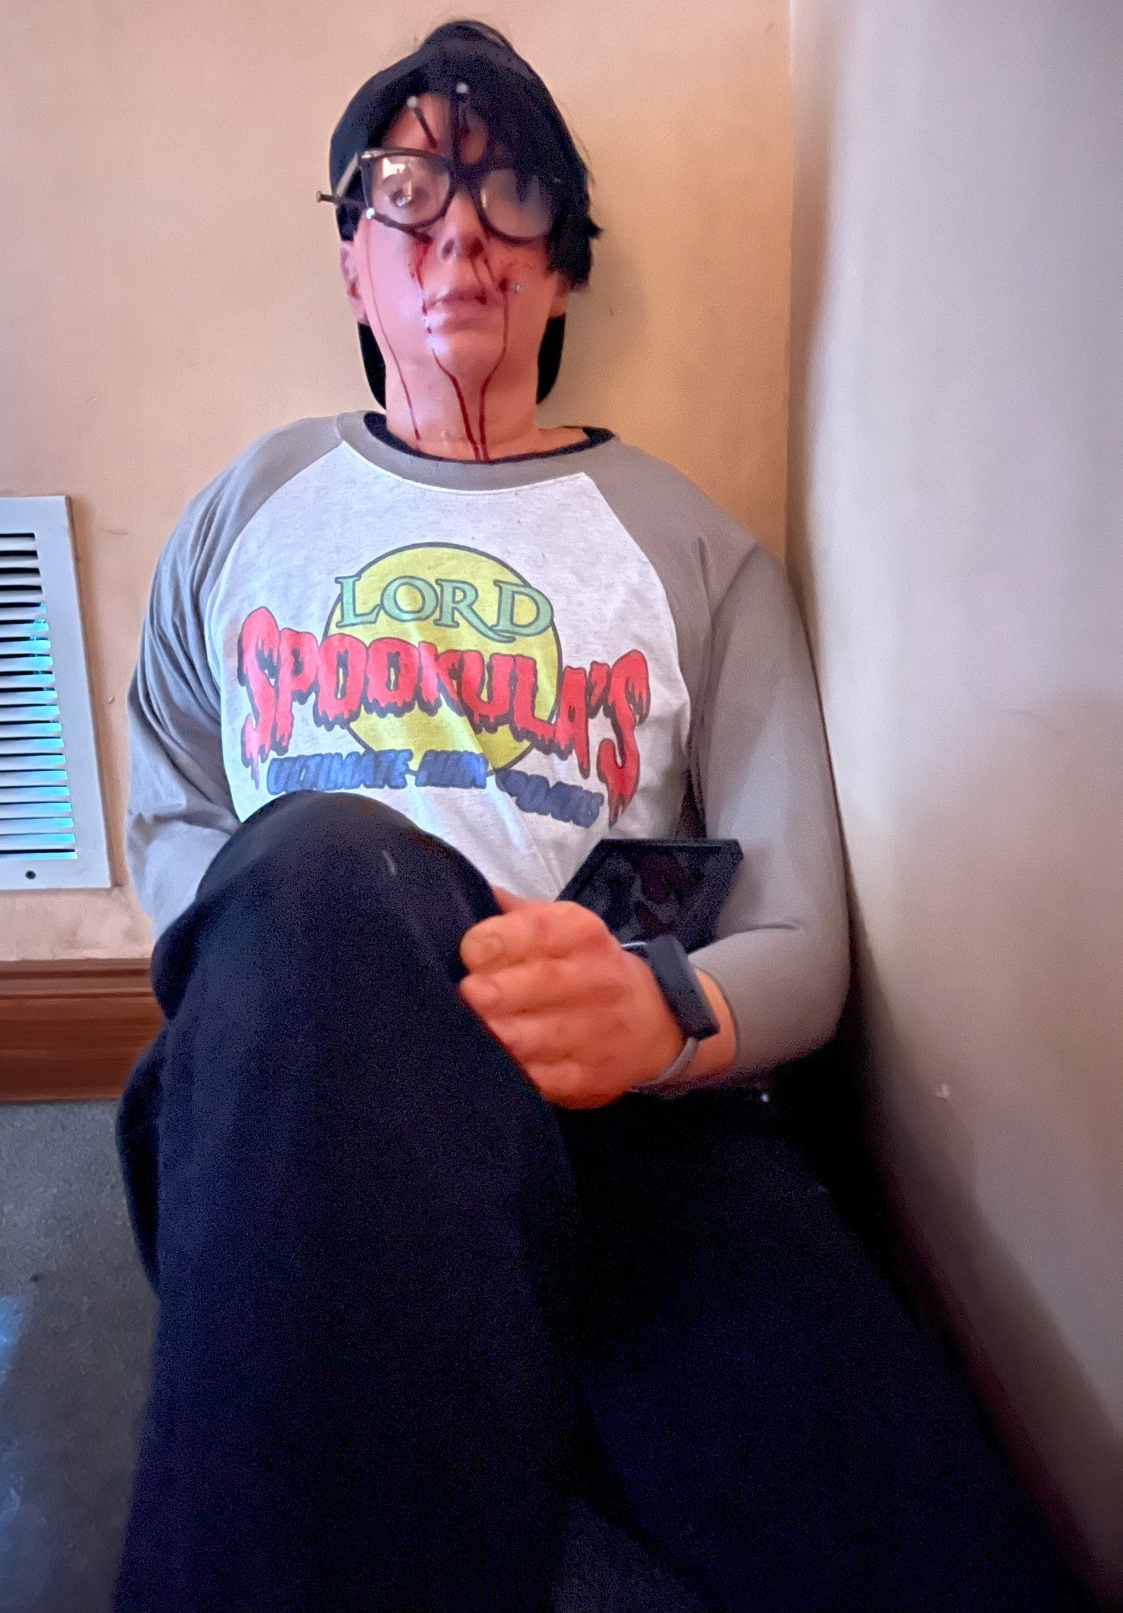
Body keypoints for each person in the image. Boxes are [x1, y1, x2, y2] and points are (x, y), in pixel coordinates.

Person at [113, 20, 1085, 1613]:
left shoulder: (698, 553)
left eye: (509, 190)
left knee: (928, 1543)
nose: (460, 234)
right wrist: (269, 961)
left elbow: (799, 931)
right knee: (317, 859)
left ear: (563, 266)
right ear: (351, 259)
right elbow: (168, 799)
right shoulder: (245, 509)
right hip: (307, 1084)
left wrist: (660, 1012)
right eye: (406, 188)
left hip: (632, 1118)